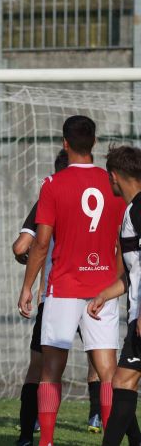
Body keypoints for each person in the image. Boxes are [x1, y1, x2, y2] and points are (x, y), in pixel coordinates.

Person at [17, 116, 126, 446]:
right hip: (103, 290)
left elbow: (39, 242)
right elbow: (123, 240)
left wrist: (26, 287)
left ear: (64, 143)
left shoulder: (53, 184)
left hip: (63, 288)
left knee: (51, 369)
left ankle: (46, 442)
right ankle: (110, 440)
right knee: (107, 370)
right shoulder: (114, 183)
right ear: (95, 143)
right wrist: (117, 280)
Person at [12, 149, 104, 445]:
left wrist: (28, 264)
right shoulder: (104, 190)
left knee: (42, 367)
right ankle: (99, 418)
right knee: (103, 363)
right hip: (96, 292)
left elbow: (21, 246)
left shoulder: (50, 193)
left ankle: (30, 434)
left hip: (57, 294)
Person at [88, 145, 141, 446]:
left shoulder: (137, 209)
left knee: (122, 382)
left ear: (114, 177)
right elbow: (134, 272)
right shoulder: (132, 210)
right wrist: (106, 294)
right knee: (124, 382)